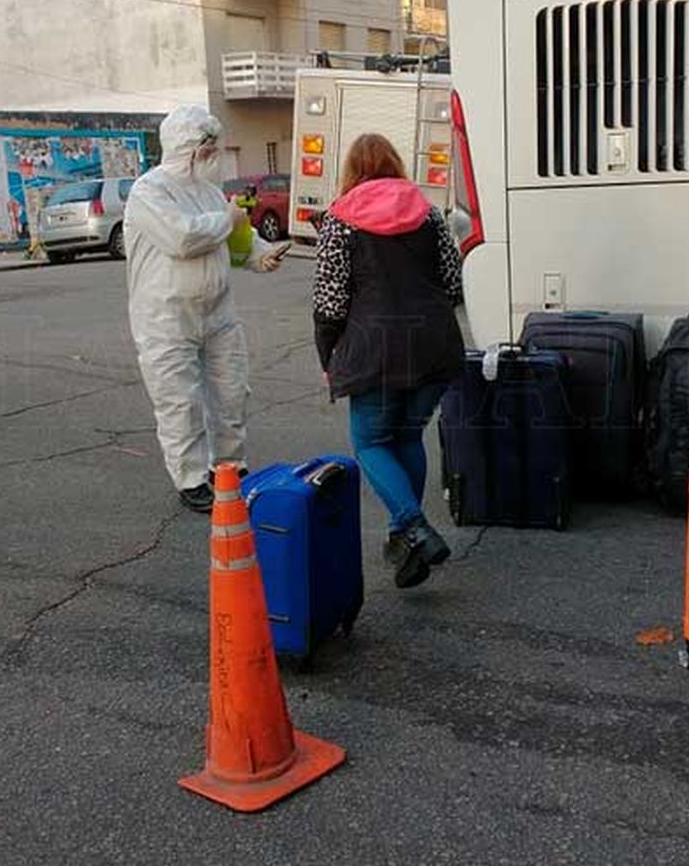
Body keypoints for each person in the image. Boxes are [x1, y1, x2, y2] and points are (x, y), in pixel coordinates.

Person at [312, 134, 465, 589]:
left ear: (351, 171)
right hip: (434, 344)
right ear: (395, 165)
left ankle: (414, 528)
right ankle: (405, 539)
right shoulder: (428, 213)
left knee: (372, 443)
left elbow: (330, 303)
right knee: (407, 436)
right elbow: (453, 282)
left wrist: (329, 355)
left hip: (374, 350)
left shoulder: (340, 221)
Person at [124, 106, 286, 514]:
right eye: (206, 149)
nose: (212, 157)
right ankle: (191, 478)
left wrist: (260, 254)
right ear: (184, 149)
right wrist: (229, 221)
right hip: (166, 317)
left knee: (232, 392)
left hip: (217, 312)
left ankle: (228, 467)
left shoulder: (209, 193)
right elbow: (182, 238)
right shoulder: (149, 192)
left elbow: (234, 242)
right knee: (179, 400)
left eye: (215, 148)